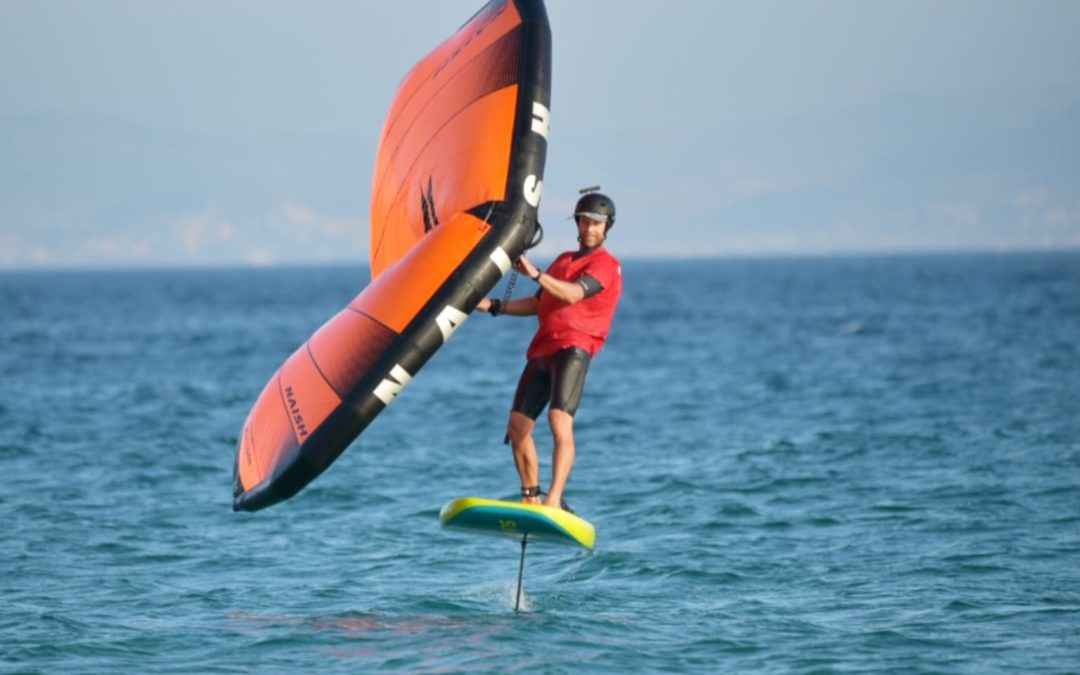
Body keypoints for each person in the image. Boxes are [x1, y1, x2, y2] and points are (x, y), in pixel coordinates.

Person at [476, 191, 622, 510]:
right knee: (517, 427)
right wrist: (492, 306)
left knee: (559, 421)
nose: (588, 228)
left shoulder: (606, 266)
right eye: (584, 222)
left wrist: (535, 274)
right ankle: (531, 495)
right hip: (542, 349)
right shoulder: (564, 261)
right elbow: (540, 302)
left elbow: (571, 294)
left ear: (607, 227)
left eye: (596, 224)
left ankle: (554, 500)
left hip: (574, 347)